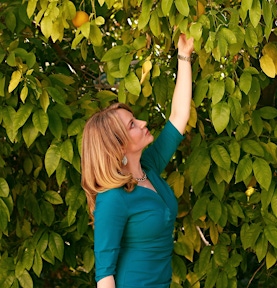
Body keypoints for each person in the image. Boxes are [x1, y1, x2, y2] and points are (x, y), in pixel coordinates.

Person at [81, 34, 194, 288]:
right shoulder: (113, 198)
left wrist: (184, 56)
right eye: (133, 124)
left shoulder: (149, 169)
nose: (143, 123)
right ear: (118, 145)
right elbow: (104, 277)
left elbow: (178, 116)